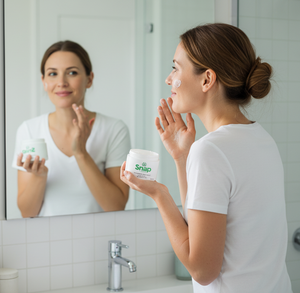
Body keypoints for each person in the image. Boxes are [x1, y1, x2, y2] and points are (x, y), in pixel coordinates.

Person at [120, 23, 292, 293]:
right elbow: (205, 226)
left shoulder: (211, 150)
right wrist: (181, 157)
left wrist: (160, 195)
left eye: (175, 68)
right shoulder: (261, 139)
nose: (169, 79)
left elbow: (202, 270)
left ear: (207, 79)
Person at [12, 40, 130, 218]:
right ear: (44, 81)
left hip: (98, 241)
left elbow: (116, 206)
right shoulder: (29, 130)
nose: (61, 82)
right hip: (47, 241)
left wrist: (81, 153)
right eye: (52, 74)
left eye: (72, 73)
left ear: (89, 79)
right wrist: (39, 175)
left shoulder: (114, 129)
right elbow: (27, 213)